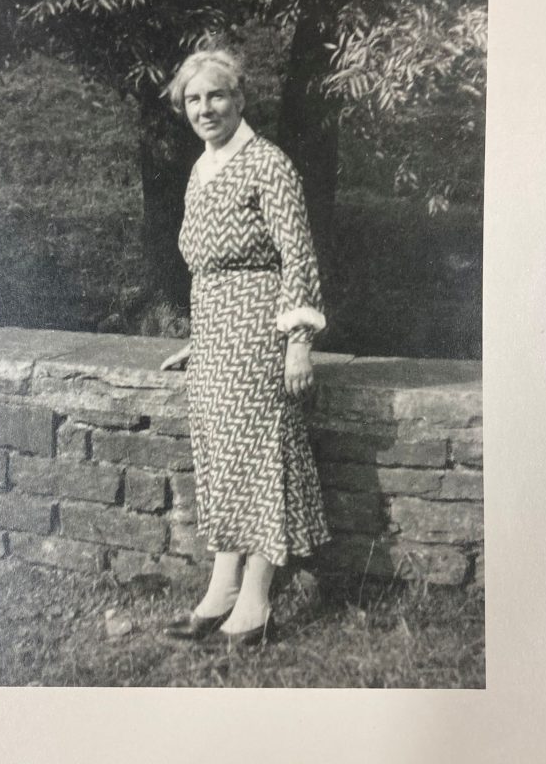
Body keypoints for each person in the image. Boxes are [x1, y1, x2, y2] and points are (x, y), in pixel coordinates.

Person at [160, 49, 330, 647]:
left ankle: (256, 597)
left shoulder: (269, 165)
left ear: (240, 100)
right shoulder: (200, 168)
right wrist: (200, 340)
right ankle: (222, 585)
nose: (205, 109)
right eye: (193, 100)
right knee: (218, 454)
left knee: (260, 455)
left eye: (216, 96)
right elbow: (205, 264)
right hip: (214, 332)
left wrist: (298, 342)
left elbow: (298, 257)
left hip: (262, 329)